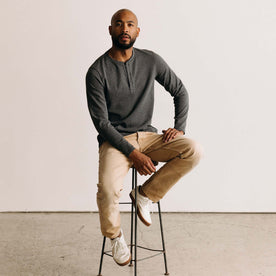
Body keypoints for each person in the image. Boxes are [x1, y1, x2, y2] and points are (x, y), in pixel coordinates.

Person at [86, 8, 202, 266]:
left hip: (148, 136)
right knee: (107, 190)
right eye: (119, 24)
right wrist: (133, 154)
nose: (124, 29)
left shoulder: (151, 60)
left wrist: (179, 127)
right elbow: (102, 124)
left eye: (130, 25)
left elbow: (180, 91)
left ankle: (146, 194)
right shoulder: (97, 71)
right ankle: (115, 235)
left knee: (193, 150)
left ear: (138, 31)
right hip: (115, 141)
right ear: (110, 30)